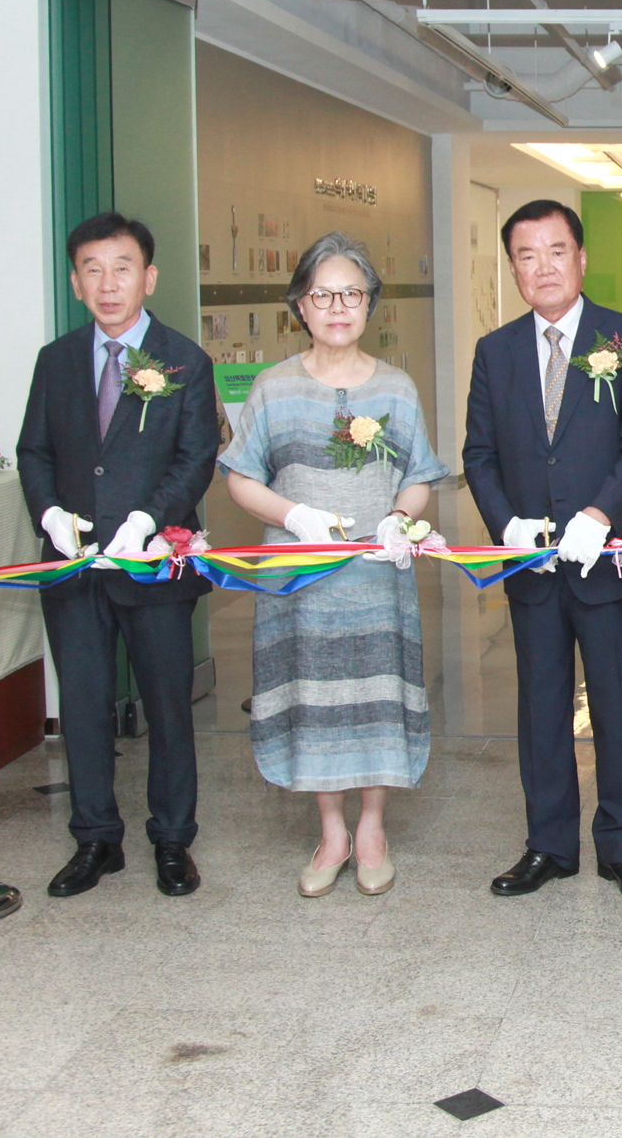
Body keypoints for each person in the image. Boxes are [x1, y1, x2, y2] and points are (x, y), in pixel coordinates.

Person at [219, 233, 447, 898]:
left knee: (375, 695)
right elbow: (239, 477)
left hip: (377, 577)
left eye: (352, 293)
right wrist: (292, 515)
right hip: (300, 578)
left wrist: (401, 518)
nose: (338, 307)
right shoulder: (273, 387)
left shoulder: (396, 388)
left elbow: (419, 476)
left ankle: (372, 829)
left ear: (370, 303)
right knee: (313, 695)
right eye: (323, 295)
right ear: (300, 304)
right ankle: (331, 833)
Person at [464, 200, 622, 903]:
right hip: (534, 566)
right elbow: (479, 453)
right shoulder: (495, 352)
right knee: (541, 706)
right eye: (527, 255)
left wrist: (599, 513)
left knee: (619, 703)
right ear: (513, 267)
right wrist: (506, 526)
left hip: (607, 559)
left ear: (580, 258)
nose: (543, 267)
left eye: (556, 251)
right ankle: (549, 845)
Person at [16, 212, 218, 899]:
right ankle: (96, 839)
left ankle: (173, 839)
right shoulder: (56, 360)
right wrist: (49, 514)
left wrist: (146, 520)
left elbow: (195, 459)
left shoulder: (184, 360)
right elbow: (34, 450)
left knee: (168, 706)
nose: (108, 285)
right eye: (93, 271)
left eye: (122, 269)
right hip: (73, 570)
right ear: (76, 283)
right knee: (83, 705)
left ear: (148, 277)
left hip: (154, 564)